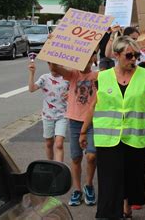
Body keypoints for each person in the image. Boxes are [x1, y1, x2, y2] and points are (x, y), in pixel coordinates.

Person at [80, 36, 145, 219]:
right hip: (108, 139)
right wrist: (84, 131)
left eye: (136, 55)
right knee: (109, 181)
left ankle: (127, 206)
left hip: (135, 138)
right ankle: (108, 215)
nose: (133, 59)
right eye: (129, 55)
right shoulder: (102, 77)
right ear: (117, 55)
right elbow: (93, 106)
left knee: (131, 178)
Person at [49, 51, 98, 207]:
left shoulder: (98, 76)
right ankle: (77, 190)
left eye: (90, 57)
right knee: (76, 157)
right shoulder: (72, 74)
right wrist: (53, 48)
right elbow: (55, 68)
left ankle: (89, 185)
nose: (86, 62)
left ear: (93, 59)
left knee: (91, 155)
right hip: (75, 121)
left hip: (92, 121)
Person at [27, 61, 68, 162]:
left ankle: (59, 169)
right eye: (50, 64)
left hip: (62, 115)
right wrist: (32, 73)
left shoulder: (67, 78)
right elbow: (31, 89)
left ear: (61, 65)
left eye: (56, 64)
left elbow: (75, 90)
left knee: (59, 144)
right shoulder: (44, 78)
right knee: (49, 143)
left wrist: (70, 93)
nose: (53, 67)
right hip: (47, 116)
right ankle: (50, 164)